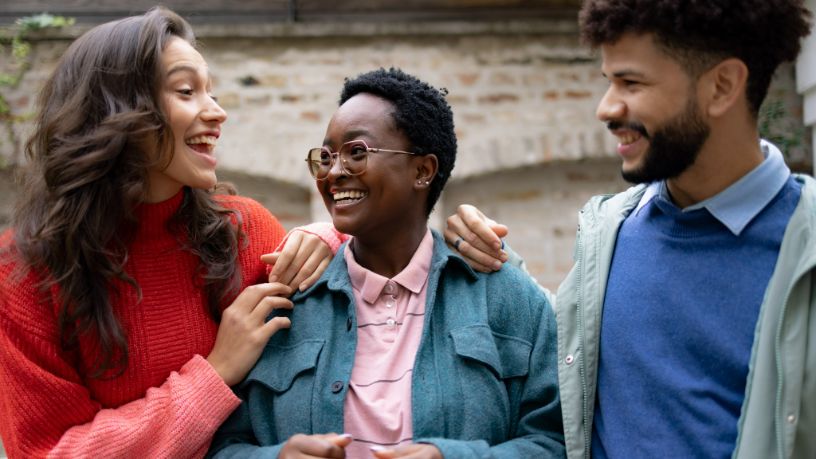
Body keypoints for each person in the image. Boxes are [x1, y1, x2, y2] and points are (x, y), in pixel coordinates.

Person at [445, 1, 816, 458]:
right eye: (609, 82)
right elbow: (575, 352)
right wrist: (494, 257)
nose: (606, 108)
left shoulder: (806, 247)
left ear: (722, 86)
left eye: (631, 83)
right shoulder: (611, 229)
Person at [0, 7, 342, 457]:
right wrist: (214, 374)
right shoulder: (24, 271)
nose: (217, 112)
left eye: (211, 93)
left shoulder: (244, 228)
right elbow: (52, 450)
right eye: (187, 91)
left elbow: (372, 303)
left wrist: (329, 238)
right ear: (119, 110)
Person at [207, 68, 565, 458]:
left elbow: (555, 442)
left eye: (357, 152)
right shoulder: (283, 305)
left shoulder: (507, 298)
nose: (334, 172)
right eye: (325, 156)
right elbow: (222, 447)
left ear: (423, 170)